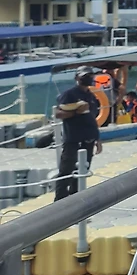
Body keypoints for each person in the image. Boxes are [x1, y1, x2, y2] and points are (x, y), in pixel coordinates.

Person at [53, 69, 103, 200]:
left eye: (90, 76)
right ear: (77, 78)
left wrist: (97, 138)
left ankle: (75, 200)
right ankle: (59, 201)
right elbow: (58, 114)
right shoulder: (69, 94)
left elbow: (92, 118)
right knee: (66, 171)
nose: (88, 78)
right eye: (85, 76)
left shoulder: (91, 96)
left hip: (89, 139)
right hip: (73, 139)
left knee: (82, 171)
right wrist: (75, 112)